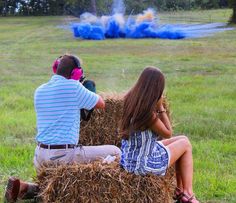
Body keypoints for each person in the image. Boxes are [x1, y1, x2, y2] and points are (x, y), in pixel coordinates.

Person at [5, 54, 121, 203]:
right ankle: (94, 192)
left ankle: (25, 188)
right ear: (76, 74)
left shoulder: (39, 90)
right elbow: (101, 103)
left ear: (55, 68)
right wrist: (82, 85)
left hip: (40, 157)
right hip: (63, 155)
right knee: (115, 151)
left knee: (52, 182)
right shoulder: (73, 87)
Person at [120, 67, 199, 203]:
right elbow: (168, 133)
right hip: (143, 164)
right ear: (155, 90)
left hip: (131, 158)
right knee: (185, 144)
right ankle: (188, 193)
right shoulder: (147, 114)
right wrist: (161, 108)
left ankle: (179, 190)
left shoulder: (130, 101)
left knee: (182, 139)